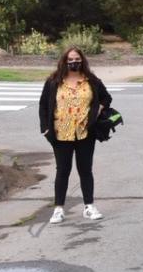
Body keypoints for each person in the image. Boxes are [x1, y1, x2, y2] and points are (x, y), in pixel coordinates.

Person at [39, 47, 112, 224]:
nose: (74, 62)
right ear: (64, 61)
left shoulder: (91, 80)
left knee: (85, 170)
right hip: (60, 133)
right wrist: (46, 129)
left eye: (77, 59)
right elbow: (43, 106)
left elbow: (106, 98)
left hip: (85, 133)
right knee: (62, 171)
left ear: (82, 60)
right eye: (70, 59)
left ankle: (89, 206)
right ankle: (58, 209)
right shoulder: (54, 81)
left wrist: (98, 109)